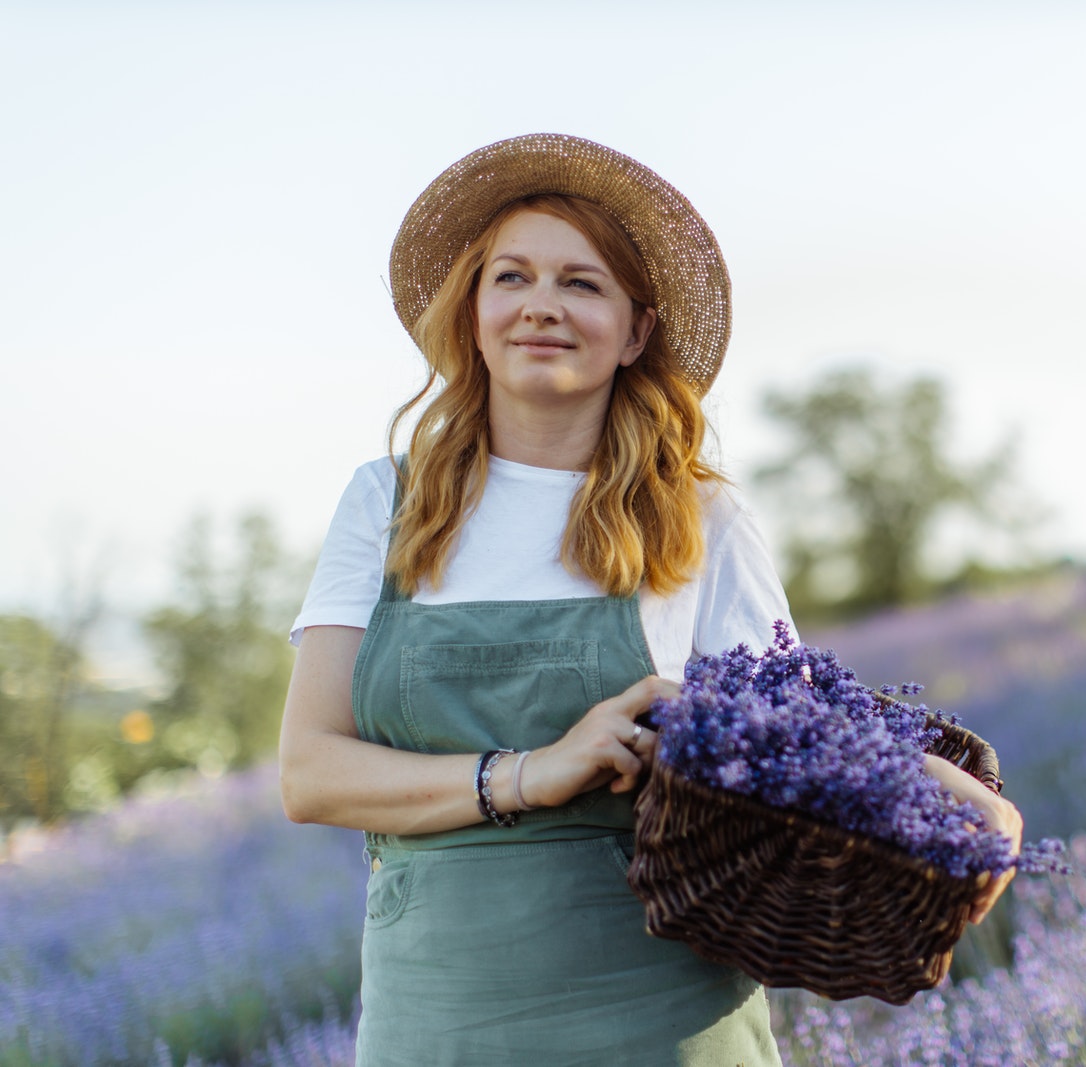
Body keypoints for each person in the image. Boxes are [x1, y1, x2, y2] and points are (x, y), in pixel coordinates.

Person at [278, 133, 1021, 1065]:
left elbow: (808, 740)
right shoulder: (387, 503)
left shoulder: (702, 516)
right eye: (511, 277)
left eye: (581, 284)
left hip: (663, 1019)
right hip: (436, 1016)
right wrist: (531, 770)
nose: (541, 306)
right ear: (472, 312)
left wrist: (972, 809)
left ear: (635, 330)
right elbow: (310, 773)